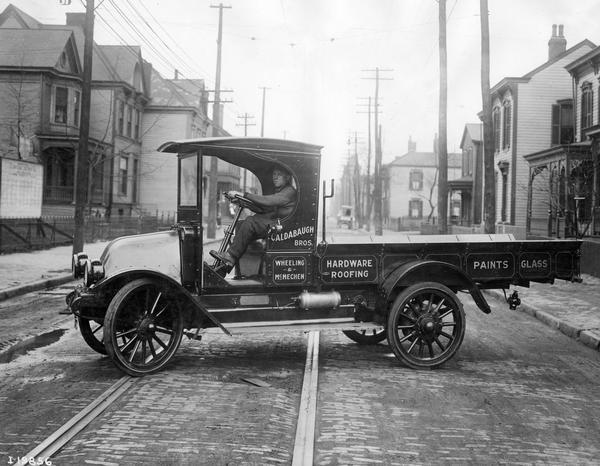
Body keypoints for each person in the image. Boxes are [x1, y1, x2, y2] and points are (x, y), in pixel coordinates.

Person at [210, 167, 296, 268]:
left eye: (279, 174)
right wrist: (243, 203)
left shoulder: (289, 191)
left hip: (283, 227)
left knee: (250, 222)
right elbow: (264, 209)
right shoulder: (281, 190)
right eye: (274, 174)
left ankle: (230, 256)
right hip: (276, 224)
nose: (275, 177)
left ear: (286, 177)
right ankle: (233, 264)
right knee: (241, 224)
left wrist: (244, 194)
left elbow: (269, 201)